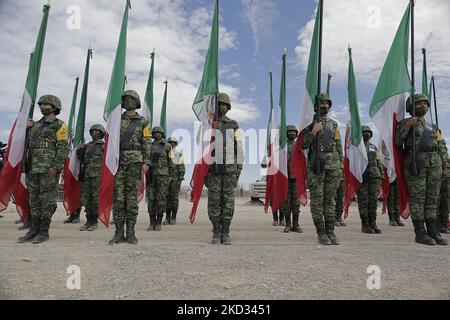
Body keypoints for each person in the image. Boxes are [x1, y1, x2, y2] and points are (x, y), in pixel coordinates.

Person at [395, 94, 447, 245]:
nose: (422, 105)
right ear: (411, 107)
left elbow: (442, 146)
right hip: (416, 162)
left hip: (435, 163)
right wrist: (407, 126)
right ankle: (420, 233)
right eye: (418, 103)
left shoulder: (433, 127)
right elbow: (398, 142)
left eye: (425, 103)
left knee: (432, 199)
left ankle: (433, 231)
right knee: (418, 199)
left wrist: (445, 166)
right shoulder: (406, 122)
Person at [18, 95, 69, 243]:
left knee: (47, 200)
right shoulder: (34, 125)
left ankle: (44, 231)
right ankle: (33, 229)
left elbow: (63, 148)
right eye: (41, 104)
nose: (43, 107)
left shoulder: (59, 125)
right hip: (33, 167)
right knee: (33, 199)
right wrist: (24, 127)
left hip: (49, 168)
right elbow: (24, 144)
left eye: (47, 104)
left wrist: (56, 166)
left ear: (54, 107)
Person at [109, 90, 151, 245]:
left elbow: (146, 142)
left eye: (131, 99)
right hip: (118, 161)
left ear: (137, 102)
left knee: (131, 199)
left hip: (135, 162)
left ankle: (131, 232)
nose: (127, 101)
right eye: (125, 99)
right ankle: (119, 233)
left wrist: (146, 162)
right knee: (118, 199)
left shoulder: (143, 122)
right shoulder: (116, 121)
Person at [302, 94, 343, 245]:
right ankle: (321, 233)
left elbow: (338, 145)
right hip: (316, 166)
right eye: (322, 102)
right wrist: (313, 131)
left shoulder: (334, 124)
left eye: (327, 103)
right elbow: (303, 145)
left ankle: (331, 232)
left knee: (330, 200)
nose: (324, 105)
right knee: (318, 201)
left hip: (333, 166)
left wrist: (341, 164)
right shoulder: (309, 124)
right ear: (316, 105)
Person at [206, 93, 244, 245]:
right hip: (212, 167)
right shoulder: (208, 123)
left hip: (229, 168)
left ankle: (226, 232)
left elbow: (238, 145)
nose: (221, 106)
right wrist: (210, 129)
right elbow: (199, 142)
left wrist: (239, 166)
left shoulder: (234, 124)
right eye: (219, 104)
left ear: (228, 108)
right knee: (214, 201)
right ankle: (216, 231)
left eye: (224, 104)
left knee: (228, 201)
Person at [77, 124, 105, 231]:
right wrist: (79, 150)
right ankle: (88, 221)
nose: (94, 133)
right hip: (87, 175)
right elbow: (81, 159)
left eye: (97, 131)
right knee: (86, 199)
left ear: (101, 134)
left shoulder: (104, 146)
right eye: (93, 131)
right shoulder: (87, 146)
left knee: (95, 199)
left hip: (98, 176)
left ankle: (94, 222)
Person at [357, 126, 383, 234]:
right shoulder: (357, 147)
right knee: (363, 201)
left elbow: (378, 161)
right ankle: (365, 224)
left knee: (373, 202)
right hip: (362, 176)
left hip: (374, 175)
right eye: (364, 132)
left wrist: (381, 174)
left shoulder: (374, 147)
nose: (366, 134)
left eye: (368, 132)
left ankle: (373, 223)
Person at [146, 126, 173, 231]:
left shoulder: (168, 147)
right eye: (155, 133)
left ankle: (158, 222)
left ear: (162, 135)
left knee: (161, 199)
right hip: (151, 175)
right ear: (152, 135)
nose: (157, 134)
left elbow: (171, 162)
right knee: (151, 199)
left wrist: (170, 175)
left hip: (163, 175)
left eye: (159, 133)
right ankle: (152, 221)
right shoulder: (148, 146)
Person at [281, 125, 302, 233]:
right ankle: (288, 225)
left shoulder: (299, 146)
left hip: (296, 178)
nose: (292, 133)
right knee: (286, 202)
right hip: (285, 178)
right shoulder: (282, 145)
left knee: (296, 203)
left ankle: (296, 224)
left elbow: (303, 161)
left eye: (294, 132)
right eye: (289, 132)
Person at [164, 137, 185, 225]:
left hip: (175, 180)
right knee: (166, 199)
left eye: (173, 143)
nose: (172, 144)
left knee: (174, 200)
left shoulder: (179, 155)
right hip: (165, 180)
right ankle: (167, 217)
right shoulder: (164, 154)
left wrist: (180, 179)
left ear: (175, 144)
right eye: (170, 143)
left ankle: (173, 218)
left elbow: (181, 167)